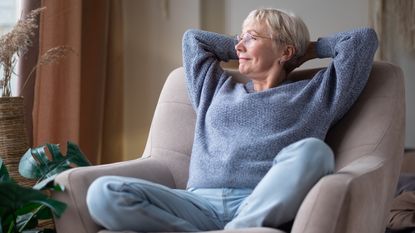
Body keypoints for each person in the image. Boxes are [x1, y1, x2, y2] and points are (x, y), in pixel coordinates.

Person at [86, 8, 378, 232]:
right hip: (196, 202)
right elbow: (194, 40)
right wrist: (250, 42)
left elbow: (362, 40)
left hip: (260, 201)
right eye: (239, 38)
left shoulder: (315, 93)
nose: (238, 46)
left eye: (250, 38)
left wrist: (304, 49)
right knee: (102, 193)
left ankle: (240, 227)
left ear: (285, 51)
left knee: (315, 153)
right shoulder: (214, 87)